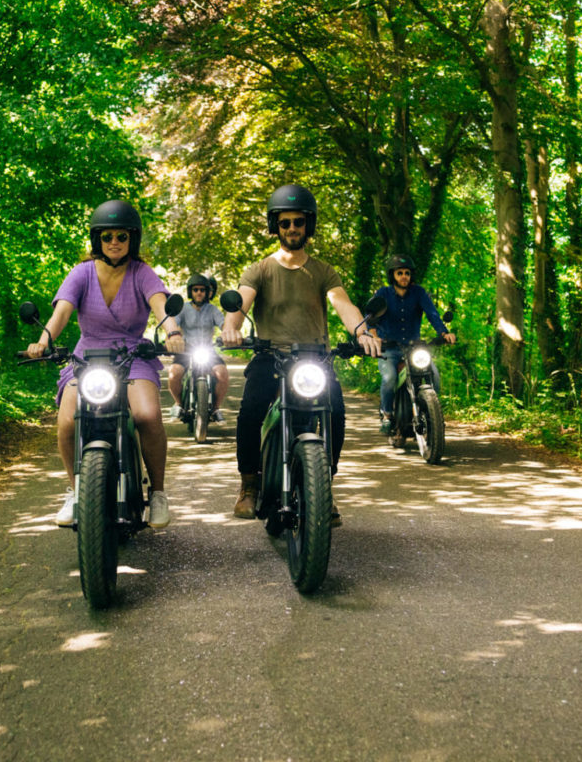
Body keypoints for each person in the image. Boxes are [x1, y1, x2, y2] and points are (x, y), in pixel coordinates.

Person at [220, 184, 381, 523]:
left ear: (309, 225)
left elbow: (343, 304)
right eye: (285, 223)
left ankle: (324, 485)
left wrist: (362, 331)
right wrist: (230, 327)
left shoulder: (323, 271)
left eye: (299, 222)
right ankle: (249, 485)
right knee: (250, 412)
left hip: (314, 358)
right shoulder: (260, 269)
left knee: (335, 412)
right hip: (270, 356)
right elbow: (242, 300)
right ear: (274, 226)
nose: (292, 228)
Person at [26, 200, 182, 529]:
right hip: (87, 356)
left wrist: (173, 332)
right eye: (107, 236)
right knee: (68, 421)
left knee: (148, 415)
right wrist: (44, 341)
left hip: (133, 356)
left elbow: (161, 305)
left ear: (132, 240)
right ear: (97, 239)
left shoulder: (142, 273)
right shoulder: (81, 273)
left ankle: (158, 494)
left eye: (121, 237)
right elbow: (62, 313)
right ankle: (76, 489)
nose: (114, 242)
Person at [371, 254, 455, 440]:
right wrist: (374, 337)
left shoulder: (418, 293)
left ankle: (432, 413)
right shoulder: (383, 294)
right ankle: (387, 414)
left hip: (413, 348)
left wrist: (444, 333)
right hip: (389, 349)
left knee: (434, 376)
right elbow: (371, 318)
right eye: (399, 273)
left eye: (407, 273)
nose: (403, 276)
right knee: (390, 378)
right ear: (392, 275)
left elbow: (432, 314)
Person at [166, 273, 228, 423]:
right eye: (195, 290)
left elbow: (224, 325)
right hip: (186, 350)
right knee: (174, 373)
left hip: (208, 349)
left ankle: (215, 409)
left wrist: (229, 334)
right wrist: (170, 338)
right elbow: (173, 325)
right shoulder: (183, 308)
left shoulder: (213, 310)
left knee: (222, 373)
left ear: (207, 292)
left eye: (202, 290)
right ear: (190, 292)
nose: (199, 292)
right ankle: (179, 403)